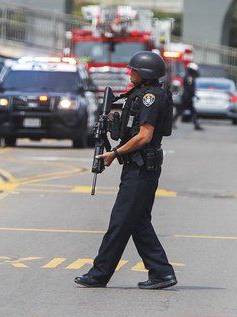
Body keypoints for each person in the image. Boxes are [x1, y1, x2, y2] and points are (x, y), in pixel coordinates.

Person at [74, 51, 177, 290]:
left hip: (142, 167)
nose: (130, 73)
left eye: (134, 70)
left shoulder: (151, 97)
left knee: (120, 221)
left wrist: (115, 153)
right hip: (139, 166)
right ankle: (161, 272)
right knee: (138, 221)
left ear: (146, 74)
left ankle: (99, 274)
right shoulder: (141, 95)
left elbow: (144, 136)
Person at [180, 62, 203, 130]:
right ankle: (196, 125)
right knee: (190, 111)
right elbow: (189, 88)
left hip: (187, 96)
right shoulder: (189, 77)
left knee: (189, 111)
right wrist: (194, 95)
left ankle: (196, 125)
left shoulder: (189, 76)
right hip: (187, 97)